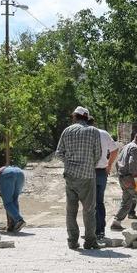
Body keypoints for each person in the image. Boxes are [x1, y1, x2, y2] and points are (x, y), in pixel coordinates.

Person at [55, 106, 102, 250]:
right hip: (87, 176)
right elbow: (98, 154)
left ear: (75, 116)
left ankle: (73, 242)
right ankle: (90, 242)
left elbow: (58, 153)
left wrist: (69, 162)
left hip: (70, 176)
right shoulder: (93, 131)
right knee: (89, 210)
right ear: (86, 117)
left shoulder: (67, 131)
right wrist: (88, 163)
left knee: (71, 211)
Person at [89, 116, 119, 245]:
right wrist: (109, 165)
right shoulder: (104, 133)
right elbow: (115, 150)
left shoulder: (85, 134)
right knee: (99, 202)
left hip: (89, 172)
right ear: (94, 122)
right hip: (102, 172)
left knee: (90, 204)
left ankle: (93, 232)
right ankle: (100, 231)